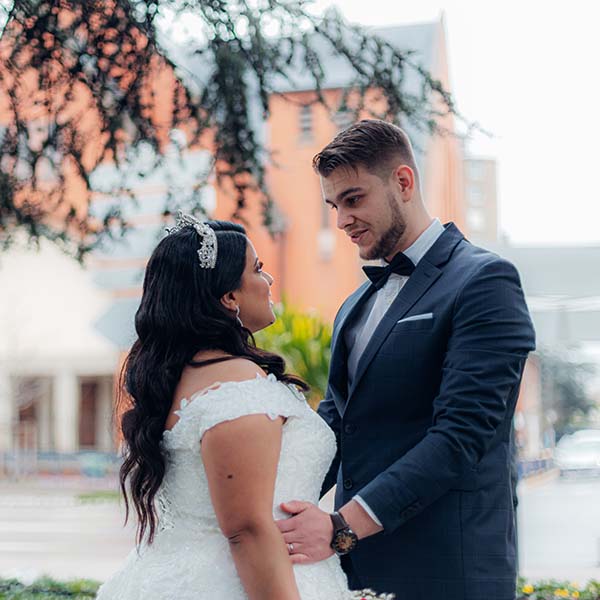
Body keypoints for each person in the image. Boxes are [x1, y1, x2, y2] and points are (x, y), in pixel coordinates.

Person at [276, 120, 536, 600]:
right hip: (352, 573)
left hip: (446, 570)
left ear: (403, 181)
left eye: (353, 199)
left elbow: (460, 437)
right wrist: (270, 509)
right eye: (334, 206)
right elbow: (335, 424)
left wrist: (339, 528)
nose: (342, 220)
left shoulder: (485, 282)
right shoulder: (354, 304)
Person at [95, 215, 352, 600]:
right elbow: (246, 529)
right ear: (229, 297)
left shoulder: (175, 379)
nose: (268, 282)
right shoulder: (236, 383)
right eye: (258, 270)